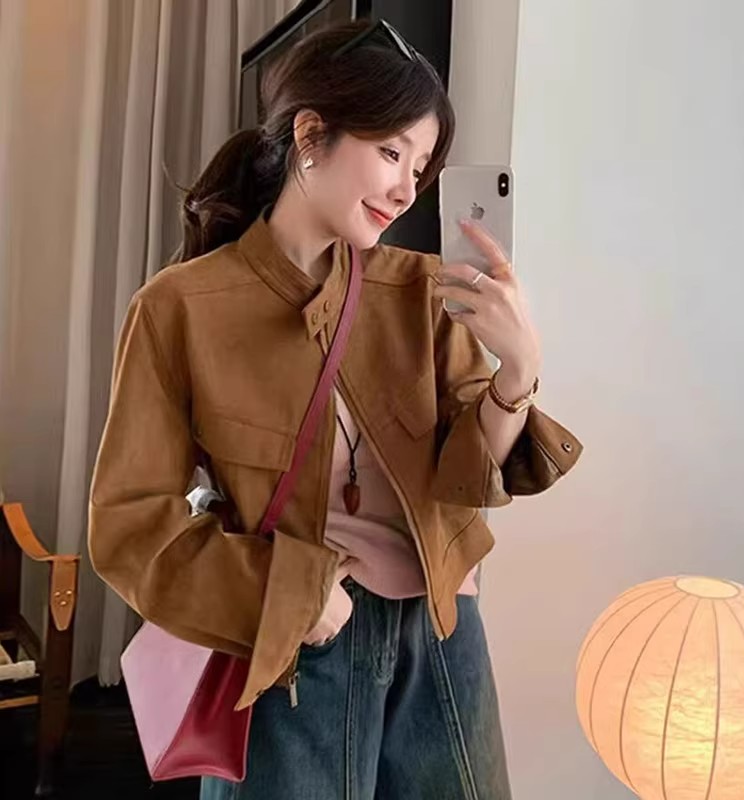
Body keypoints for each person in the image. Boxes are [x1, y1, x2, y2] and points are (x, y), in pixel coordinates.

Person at [88, 18, 582, 800]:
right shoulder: (180, 308)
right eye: (391, 152)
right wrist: (290, 594)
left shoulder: (423, 290)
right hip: (296, 642)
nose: (406, 188)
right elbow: (131, 524)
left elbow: (466, 477)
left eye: (420, 166)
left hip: (441, 638)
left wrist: (516, 373)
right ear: (311, 134)